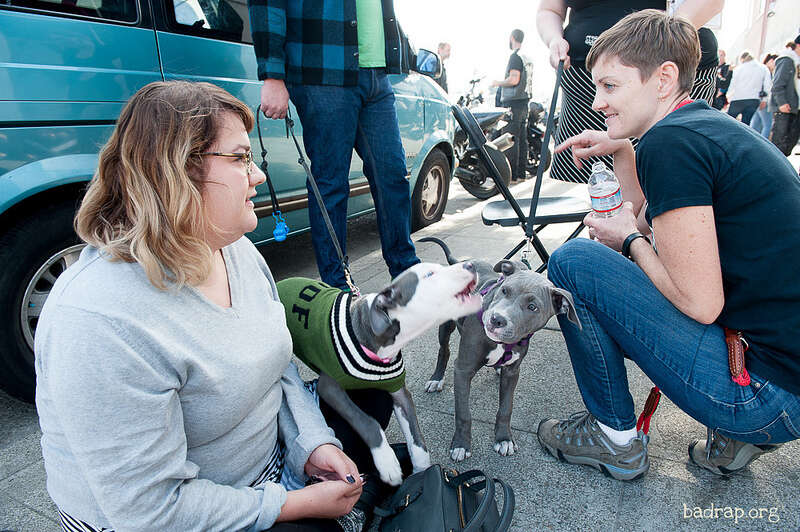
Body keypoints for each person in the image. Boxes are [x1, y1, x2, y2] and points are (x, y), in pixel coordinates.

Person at [34, 81, 397, 532]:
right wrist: (294, 504)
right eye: (241, 158)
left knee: (372, 391)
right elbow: (152, 510)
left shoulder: (232, 247)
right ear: (177, 171)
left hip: (266, 464)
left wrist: (314, 444)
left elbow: (277, 365)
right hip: (174, 517)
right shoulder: (100, 320)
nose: (258, 174)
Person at [537, 10, 800, 481]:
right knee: (601, 262)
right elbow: (647, 217)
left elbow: (699, 302)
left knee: (574, 260)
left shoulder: (671, 144)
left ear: (663, 79)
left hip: (764, 394)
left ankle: (613, 437)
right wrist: (623, 151)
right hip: (786, 381)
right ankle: (739, 438)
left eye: (610, 86)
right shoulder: (699, 127)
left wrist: (629, 240)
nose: (597, 102)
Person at [247, 0, 420, 290]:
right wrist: (272, 74)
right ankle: (338, 287)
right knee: (331, 184)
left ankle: (407, 274)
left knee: (393, 175)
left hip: (377, 73)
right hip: (323, 69)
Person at [537, 0, 723, 184]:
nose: (597, 104)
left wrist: (665, 37)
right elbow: (549, 9)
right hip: (580, 82)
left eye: (609, 86)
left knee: (668, 172)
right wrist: (554, 39)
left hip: (660, 61)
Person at [490, 29, 530, 182]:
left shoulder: (515, 57)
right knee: (521, 140)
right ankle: (520, 174)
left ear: (512, 38)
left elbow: (514, 79)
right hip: (524, 102)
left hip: (513, 103)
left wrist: (498, 83)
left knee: (509, 140)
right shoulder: (526, 57)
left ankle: (511, 176)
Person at [769, 36, 800, 157]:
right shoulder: (787, 60)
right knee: (779, 145)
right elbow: (777, 84)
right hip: (785, 108)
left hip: (795, 108)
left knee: (789, 144)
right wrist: (781, 102)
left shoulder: (797, 61)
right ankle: (772, 167)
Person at [726, 51, 768, 125]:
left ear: (742, 59)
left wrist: (728, 97)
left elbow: (732, 84)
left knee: (728, 122)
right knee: (746, 124)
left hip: (737, 99)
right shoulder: (763, 68)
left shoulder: (739, 68)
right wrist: (764, 100)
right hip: (753, 99)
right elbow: (767, 85)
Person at [750, 53, 778, 138]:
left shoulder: (759, 70)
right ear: (771, 61)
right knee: (767, 125)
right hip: (763, 100)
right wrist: (764, 100)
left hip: (756, 99)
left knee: (756, 124)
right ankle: (762, 143)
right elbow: (767, 87)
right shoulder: (766, 71)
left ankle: (751, 141)